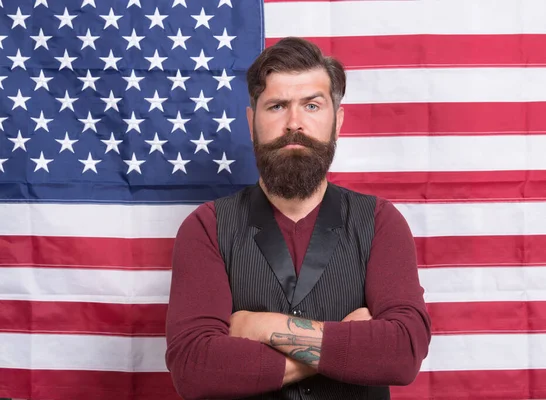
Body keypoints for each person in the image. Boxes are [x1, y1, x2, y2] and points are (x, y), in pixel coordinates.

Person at [165, 37, 432, 400]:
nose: (294, 123)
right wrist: (348, 344)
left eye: (311, 105)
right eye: (276, 106)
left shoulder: (381, 222)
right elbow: (194, 368)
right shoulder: (207, 227)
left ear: (337, 121)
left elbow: (403, 351)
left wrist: (259, 326)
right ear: (251, 121)